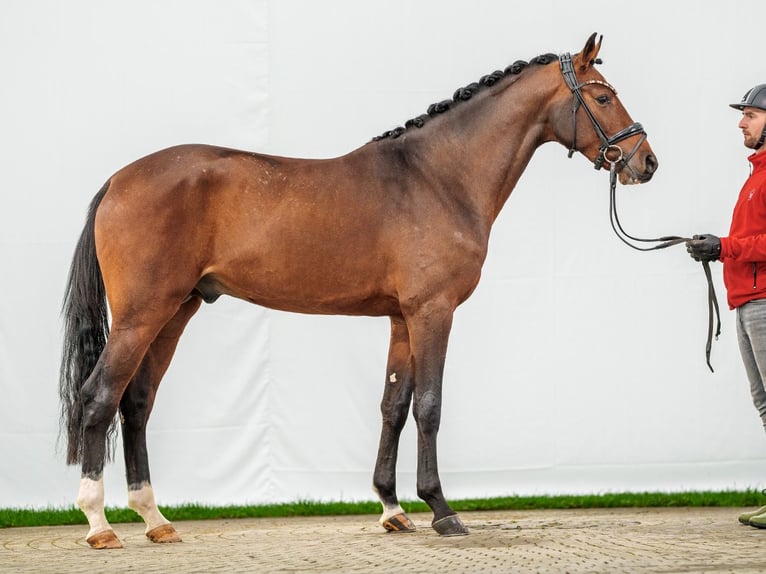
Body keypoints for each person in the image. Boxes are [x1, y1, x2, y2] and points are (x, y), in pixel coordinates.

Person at [687, 83, 766, 529]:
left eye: (751, 115)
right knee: (764, 403)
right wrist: (715, 246)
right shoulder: (756, 175)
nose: (741, 122)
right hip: (749, 300)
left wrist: (725, 247)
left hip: (764, 300)